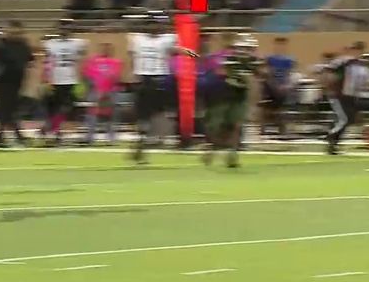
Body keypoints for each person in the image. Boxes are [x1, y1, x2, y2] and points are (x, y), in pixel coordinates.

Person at [127, 10, 197, 164]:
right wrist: (133, 73)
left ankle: (148, 142)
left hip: (160, 79)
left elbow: (176, 49)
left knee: (165, 113)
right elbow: (132, 57)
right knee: (142, 115)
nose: (154, 27)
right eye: (151, 23)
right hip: (143, 79)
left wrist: (191, 54)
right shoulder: (137, 39)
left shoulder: (168, 39)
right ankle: (142, 143)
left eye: (157, 24)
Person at [202, 33, 259, 168]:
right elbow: (222, 73)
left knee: (237, 126)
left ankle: (232, 154)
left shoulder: (254, 62)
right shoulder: (230, 60)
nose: (245, 51)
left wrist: (253, 103)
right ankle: (211, 149)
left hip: (240, 95)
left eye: (248, 48)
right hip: (224, 94)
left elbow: (253, 82)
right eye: (243, 48)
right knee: (219, 127)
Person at [41, 18, 86, 146]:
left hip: (72, 80)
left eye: (68, 26)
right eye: (62, 26)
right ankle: (55, 132)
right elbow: (47, 63)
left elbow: (81, 61)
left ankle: (50, 127)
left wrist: (81, 79)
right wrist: (46, 79)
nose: (65, 29)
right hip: (56, 80)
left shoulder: (78, 43)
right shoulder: (51, 44)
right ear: (58, 28)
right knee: (55, 108)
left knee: (66, 108)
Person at [323, 43, 369, 155]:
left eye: (359, 50)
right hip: (339, 95)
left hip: (351, 96)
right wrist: (329, 86)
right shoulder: (343, 62)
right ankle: (331, 135)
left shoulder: (361, 64)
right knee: (345, 119)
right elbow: (329, 72)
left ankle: (333, 143)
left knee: (349, 119)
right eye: (355, 49)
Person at [0, 20, 33, 147]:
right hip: (4, 81)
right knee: (7, 109)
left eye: (17, 31)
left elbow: (29, 62)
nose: (15, 33)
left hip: (18, 82)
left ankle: (2, 137)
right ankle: (14, 136)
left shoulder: (24, 46)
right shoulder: (2, 46)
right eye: (12, 31)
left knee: (9, 110)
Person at [82, 42, 123, 144]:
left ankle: (111, 138)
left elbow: (115, 77)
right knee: (91, 114)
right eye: (103, 48)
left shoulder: (116, 62)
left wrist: (105, 91)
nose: (105, 50)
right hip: (95, 91)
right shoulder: (92, 61)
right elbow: (87, 76)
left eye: (108, 48)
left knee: (110, 115)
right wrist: (95, 88)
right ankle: (89, 137)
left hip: (111, 92)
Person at [262, 36, 295, 138]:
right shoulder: (270, 58)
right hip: (271, 86)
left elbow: (289, 73)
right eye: (278, 44)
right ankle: (263, 130)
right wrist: (272, 84)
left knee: (281, 109)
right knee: (266, 108)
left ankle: (282, 129)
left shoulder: (289, 59)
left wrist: (286, 85)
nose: (280, 47)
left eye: (282, 45)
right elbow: (267, 72)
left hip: (282, 87)